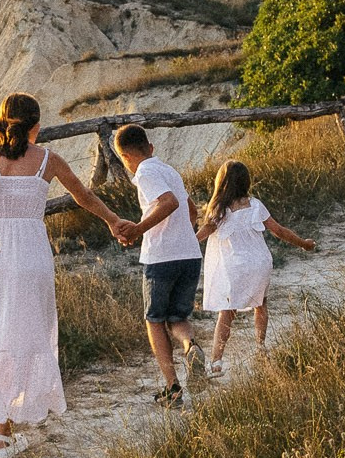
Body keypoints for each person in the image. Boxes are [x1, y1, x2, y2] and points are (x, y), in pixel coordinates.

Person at [0, 92, 136, 458]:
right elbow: (83, 195)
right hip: (31, 253)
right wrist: (115, 220)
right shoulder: (48, 159)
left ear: (2, 121)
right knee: (27, 336)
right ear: (36, 125)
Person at [195, 160, 315, 377]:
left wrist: (185, 246)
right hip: (259, 264)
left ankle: (216, 362)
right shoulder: (256, 205)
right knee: (261, 304)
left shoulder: (219, 210)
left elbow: (201, 236)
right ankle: (260, 347)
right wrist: (304, 244)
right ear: (246, 182)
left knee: (227, 312)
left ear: (221, 182)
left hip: (235, 267)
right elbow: (279, 231)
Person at [112, 124, 203, 404]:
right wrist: (182, 236)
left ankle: (173, 387)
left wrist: (139, 230)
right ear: (150, 147)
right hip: (189, 254)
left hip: (162, 257)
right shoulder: (169, 170)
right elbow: (191, 210)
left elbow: (169, 202)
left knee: (154, 321)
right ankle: (191, 347)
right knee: (178, 319)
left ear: (124, 156)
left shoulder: (145, 172)